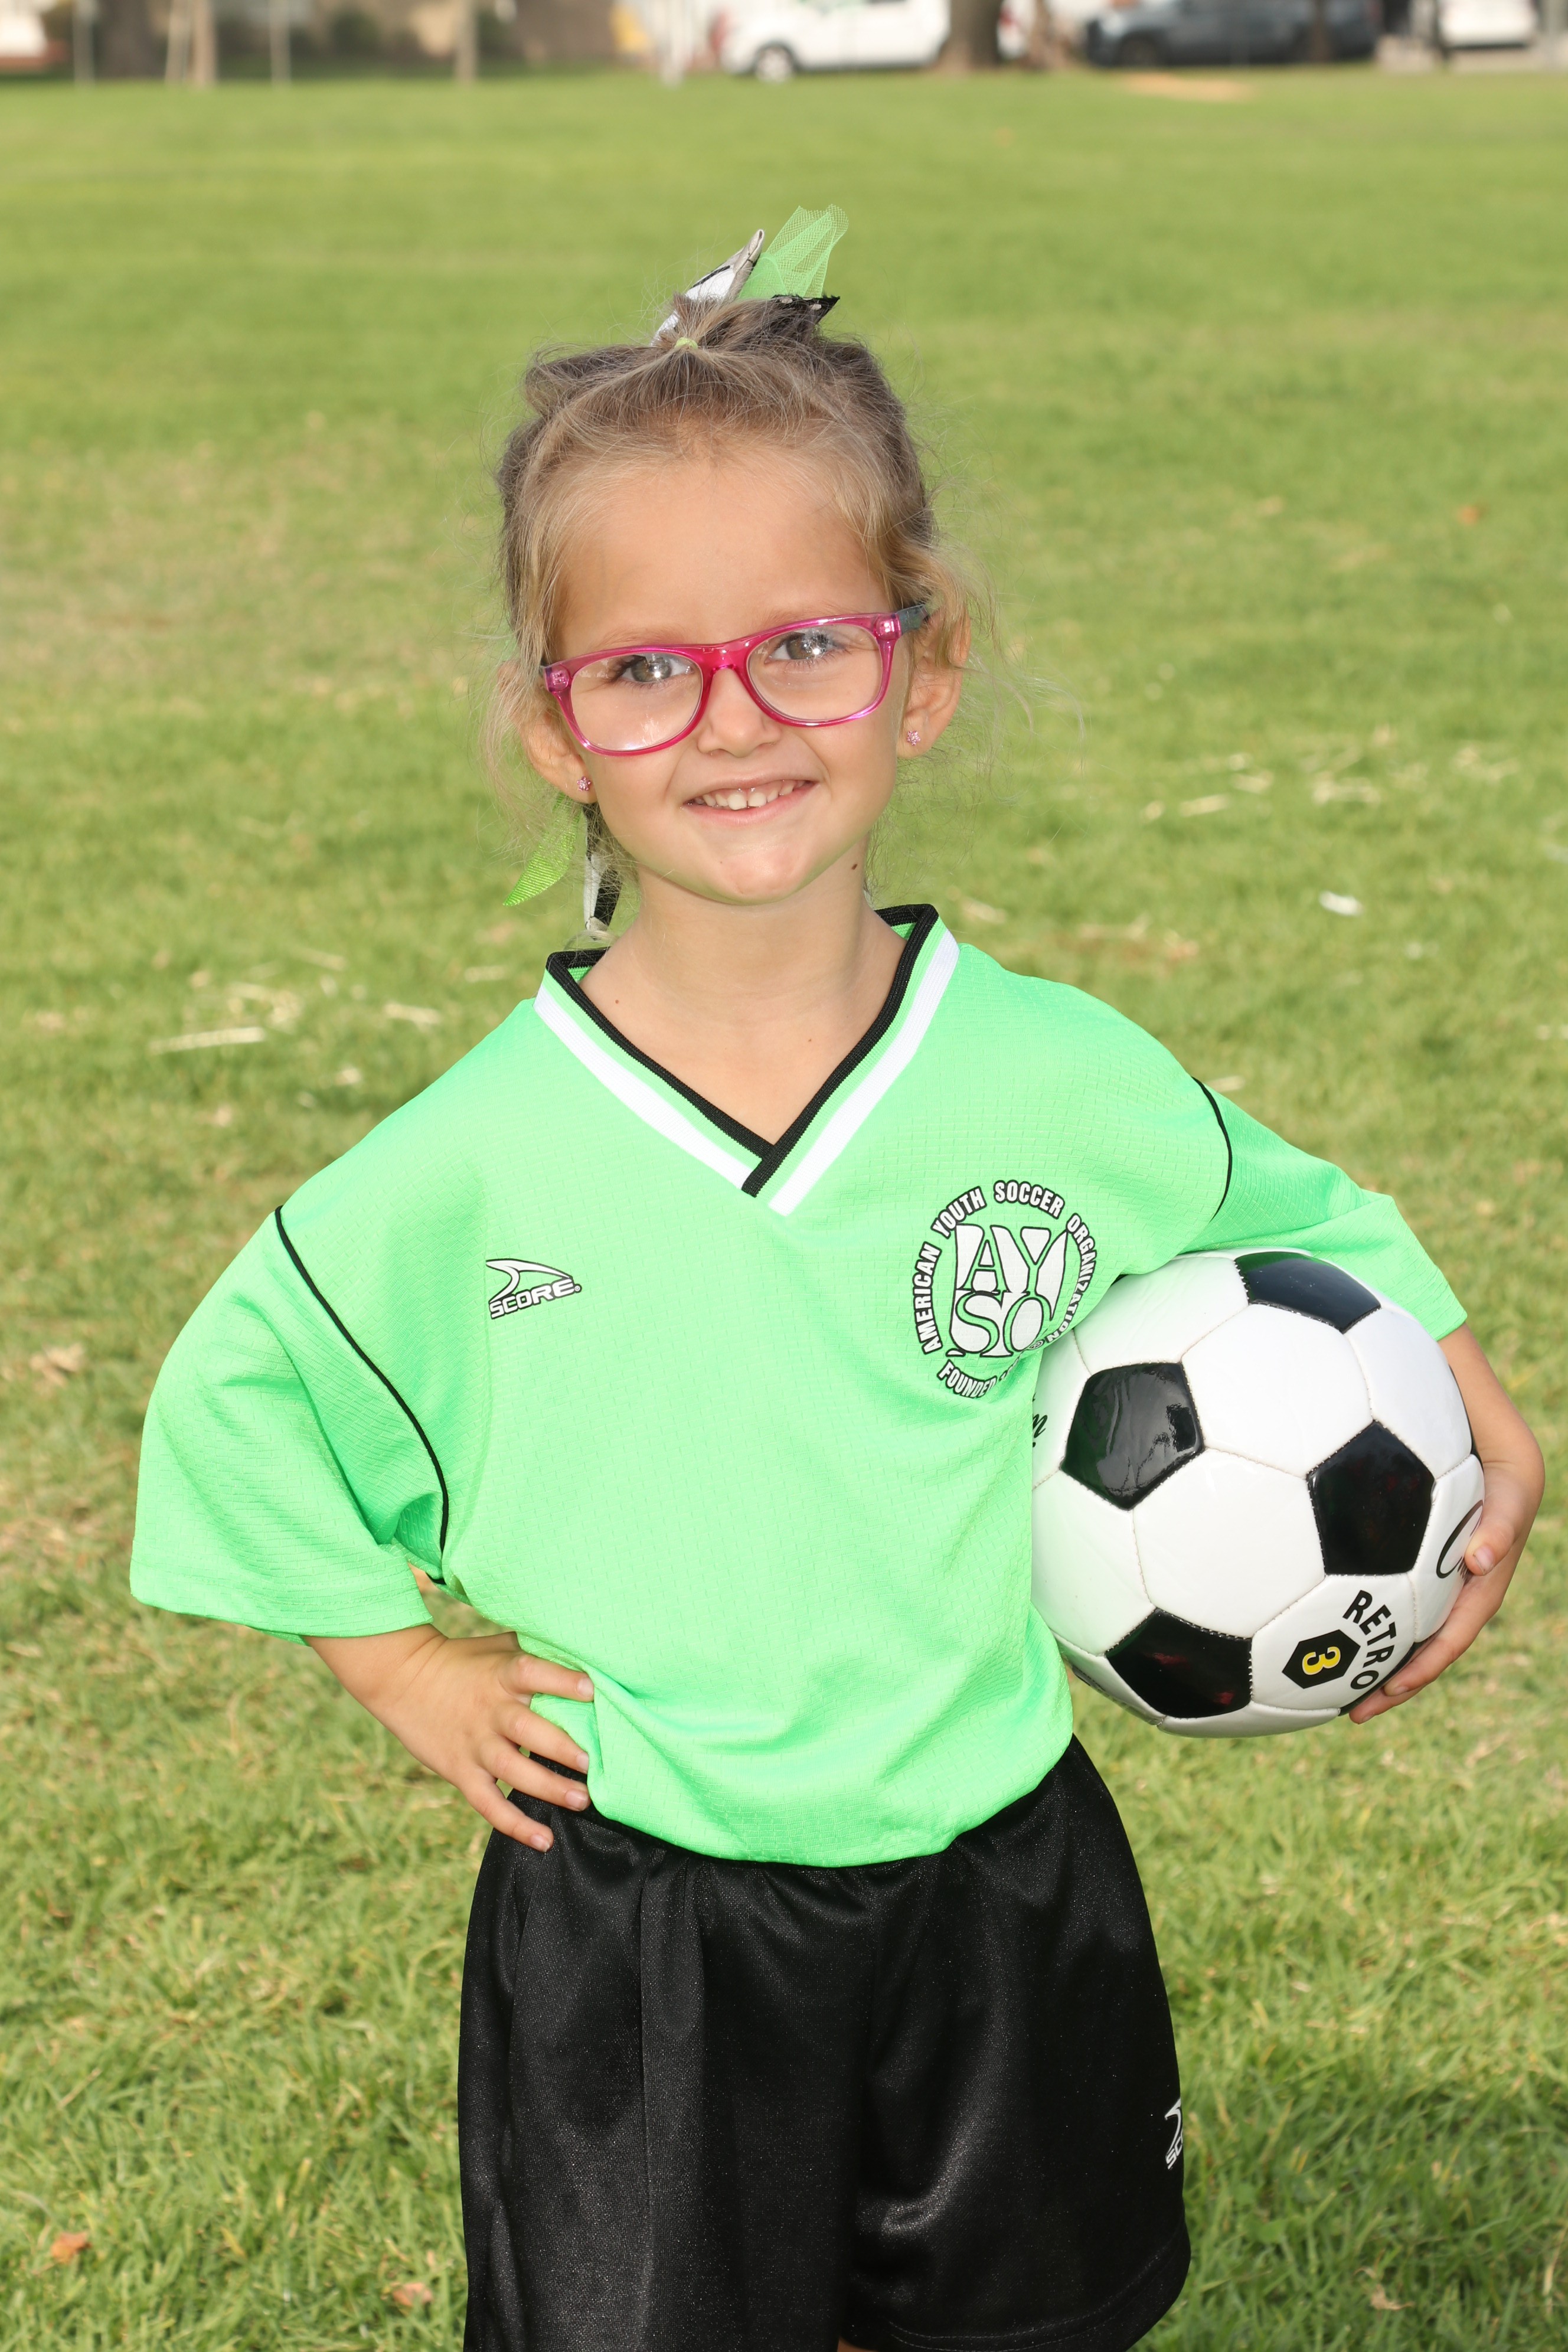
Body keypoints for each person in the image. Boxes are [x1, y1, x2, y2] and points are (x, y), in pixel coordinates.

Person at [130, 210, 1543, 2352]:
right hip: (648, 1924)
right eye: (643, 671)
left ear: (924, 666)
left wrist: (1470, 1394)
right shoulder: (470, 1163)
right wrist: (405, 1669)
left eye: (805, 643)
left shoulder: (1058, 1077)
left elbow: (1308, 1217)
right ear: (553, 727)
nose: (733, 721)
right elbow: (241, 1400)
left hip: (1004, 1874)